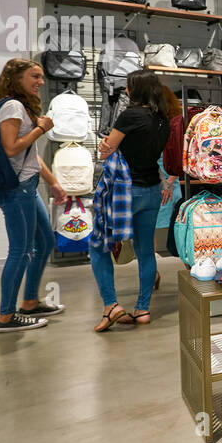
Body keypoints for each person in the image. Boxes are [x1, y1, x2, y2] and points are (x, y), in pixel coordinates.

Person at [89, 70, 171, 331]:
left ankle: (111, 305)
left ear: (136, 91)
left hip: (125, 192)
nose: (125, 91)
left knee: (99, 245)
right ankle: (143, 309)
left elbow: (107, 150)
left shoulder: (130, 115)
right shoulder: (162, 120)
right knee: (145, 250)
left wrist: (104, 147)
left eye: (128, 87)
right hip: (151, 191)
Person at [0, 59, 67, 332]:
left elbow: (29, 154)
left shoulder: (20, 106)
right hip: (16, 189)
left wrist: (53, 183)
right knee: (20, 251)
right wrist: (40, 128)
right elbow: (11, 148)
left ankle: (31, 301)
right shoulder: (12, 106)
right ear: (17, 77)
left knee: (45, 242)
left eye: (42, 77)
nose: (41, 82)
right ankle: (6, 317)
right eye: (35, 76)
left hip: (27, 186)